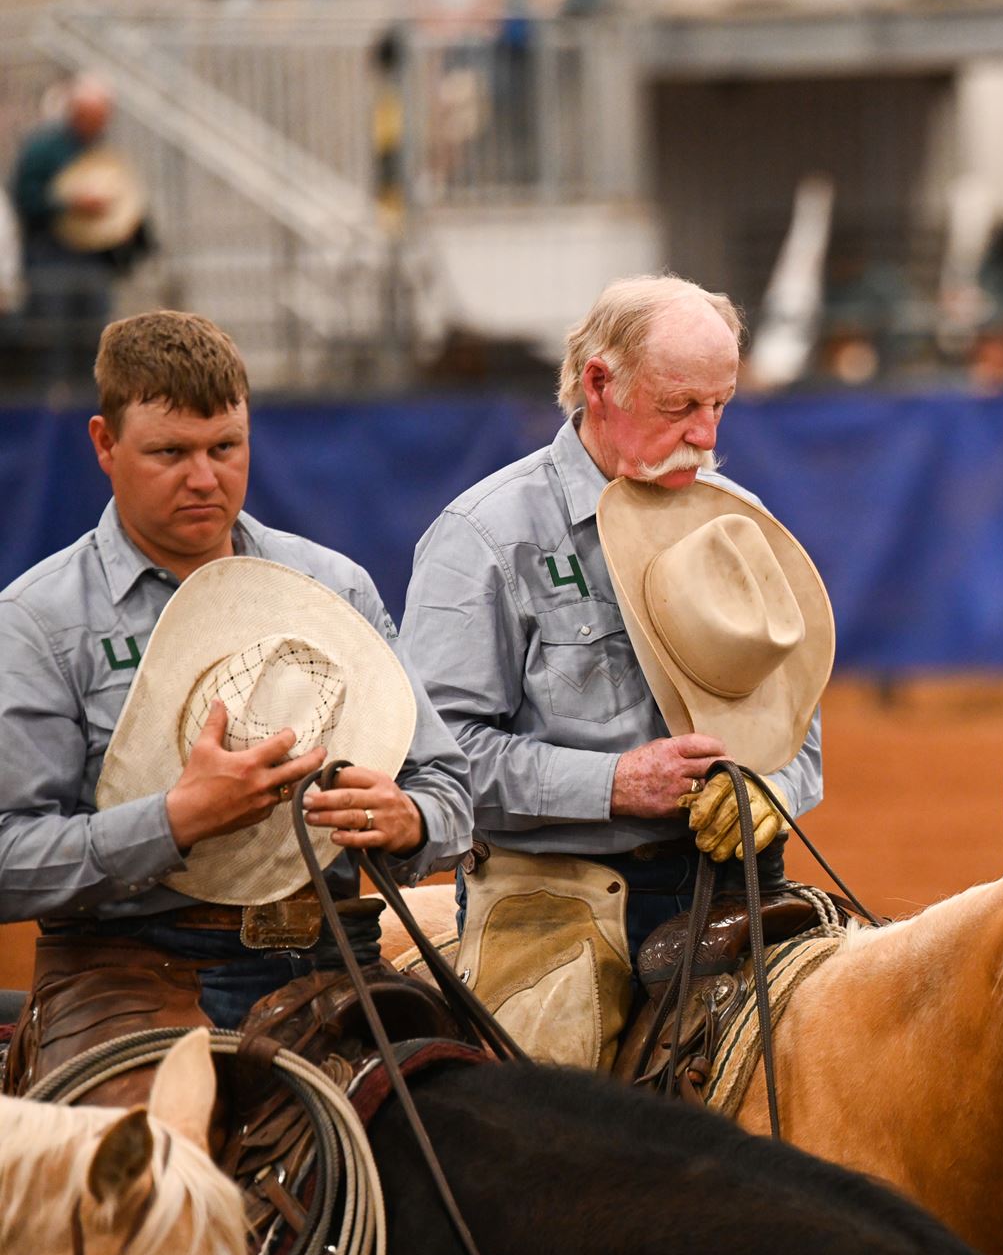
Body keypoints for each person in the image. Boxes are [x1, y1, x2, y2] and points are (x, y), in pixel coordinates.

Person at [0, 310, 473, 1102]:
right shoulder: (40, 621)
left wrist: (410, 819)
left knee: (471, 1137)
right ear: (103, 444)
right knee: (155, 1176)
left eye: (225, 447)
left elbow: (450, 789)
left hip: (331, 956)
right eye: (169, 452)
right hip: (128, 967)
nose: (204, 477)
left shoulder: (335, 586)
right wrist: (175, 820)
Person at [400, 274, 828, 1072]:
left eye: (720, 406)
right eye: (678, 408)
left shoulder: (736, 517)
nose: (705, 436)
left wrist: (778, 788)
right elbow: (439, 763)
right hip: (551, 899)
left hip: (736, 891)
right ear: (600, 382)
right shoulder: (483, 538)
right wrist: (614, 783)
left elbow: (796, 721)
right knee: (556, 1148)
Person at [8, 76, 128, 389]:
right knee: (52, 337)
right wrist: (69, 202)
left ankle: (93, 401)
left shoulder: (100, 147)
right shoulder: (43, 149)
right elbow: (25, 197)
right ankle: (52, 406)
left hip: (93, 257)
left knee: (94, 338)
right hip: (52, 256)